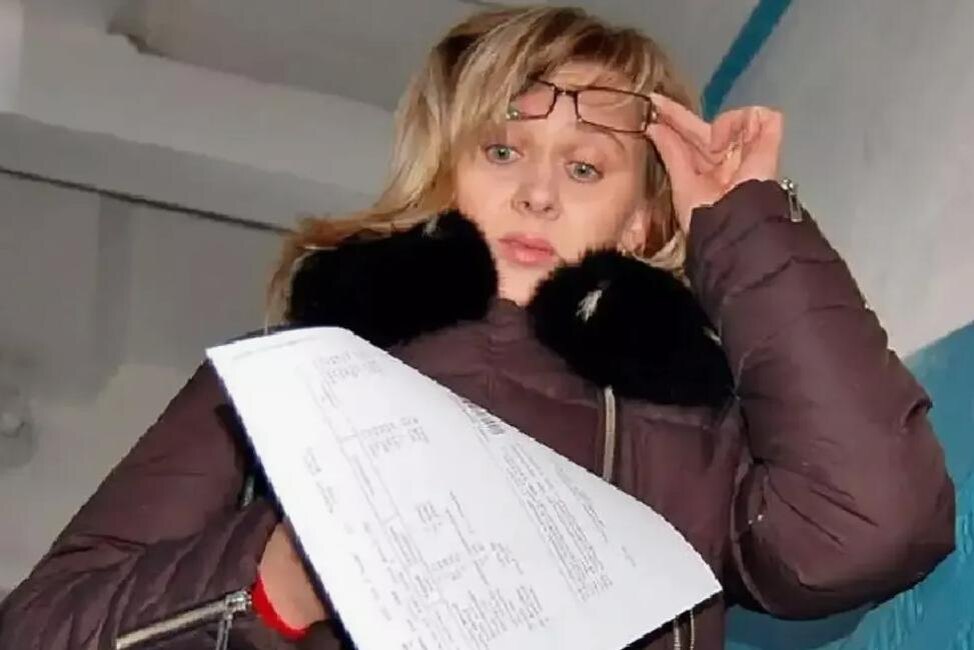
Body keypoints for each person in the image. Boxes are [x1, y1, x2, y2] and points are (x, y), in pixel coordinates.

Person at [0, 6, 955, 650]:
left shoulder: (698, 432)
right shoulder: (279, 380)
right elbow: (40, 626)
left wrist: (740, 218)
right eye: (503, 151)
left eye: (584, 168)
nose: (537, 191)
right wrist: (267, 581)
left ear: (639, 222)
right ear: (447, 173)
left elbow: (874, 529)